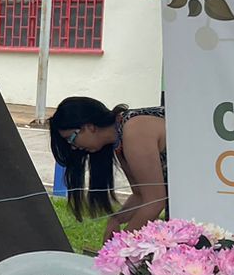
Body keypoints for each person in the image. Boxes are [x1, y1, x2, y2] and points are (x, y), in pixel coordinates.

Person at [48, 96, 167, 233]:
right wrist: (116, 219)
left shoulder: (134, 132)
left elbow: (155, 202)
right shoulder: (119, 142)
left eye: (71, 138)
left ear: (89, 127)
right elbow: (140, 195)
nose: (73, 147)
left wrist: (120, 248)